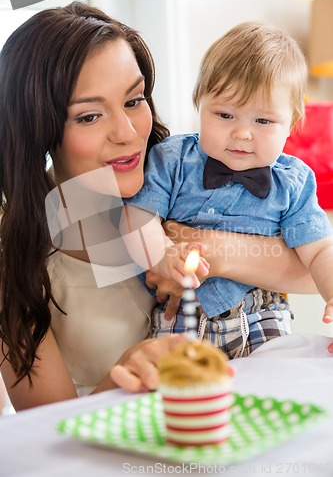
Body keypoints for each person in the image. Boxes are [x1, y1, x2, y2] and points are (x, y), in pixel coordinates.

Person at [0, 4, 319, 411]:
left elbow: (307, 267)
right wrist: (127, 372)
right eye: (90, 116)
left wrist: (209, 250)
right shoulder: (20, 256)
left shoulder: (180, 178)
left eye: (134, 100)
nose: (128, 133)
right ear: (38, 126)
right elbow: (42, 436)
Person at [124, 21, 333, 359]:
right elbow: (136, 217)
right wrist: (160, 252)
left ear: (292, 123)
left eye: (262, 121)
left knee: (280, 386)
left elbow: (320, 252)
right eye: (224, 114)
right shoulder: (172, 159)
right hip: (179, 317)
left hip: (261, 315)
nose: (242, 134)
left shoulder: (294, 181)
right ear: (199, 104)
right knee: (171, 392)